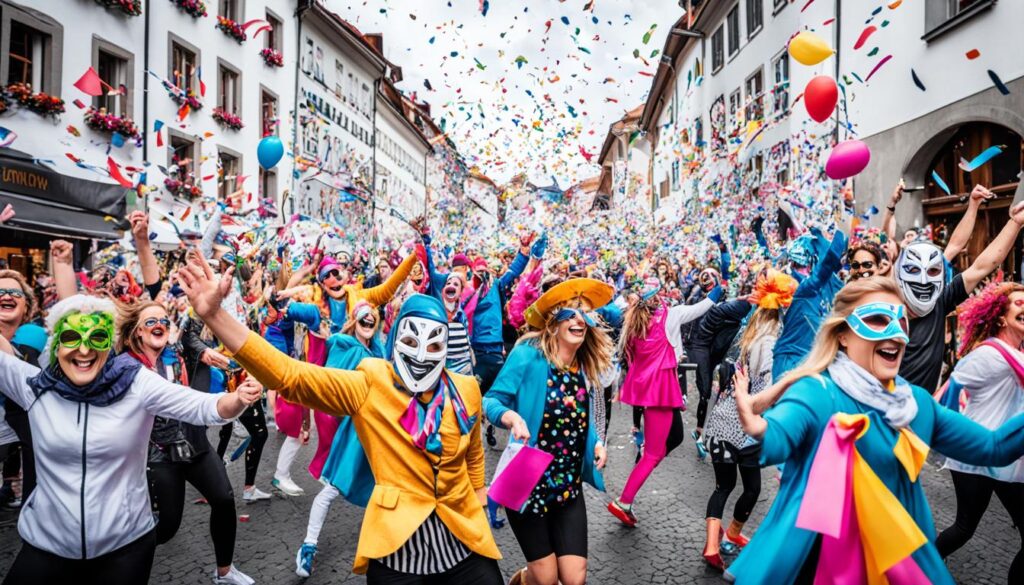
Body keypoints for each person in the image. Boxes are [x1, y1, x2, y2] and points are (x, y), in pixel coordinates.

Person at [177, 256, 503, 584]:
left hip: (463, 542)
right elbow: (291, 376)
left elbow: (473, 454)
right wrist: (215, 316)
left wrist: (479, 496)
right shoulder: (372, 382)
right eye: (411, 341)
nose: (421, 354)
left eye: (434, 343)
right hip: (398, 546)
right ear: (394, 341)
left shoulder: (465, 390)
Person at [725, 277, 1024, 584]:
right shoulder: (819, 392)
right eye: (878, 320)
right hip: (820, 565)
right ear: (842, 335)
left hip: (893, 565)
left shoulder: (917, 404)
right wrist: (758, 425)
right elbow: (782, 432)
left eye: (901, 322)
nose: (895, 333)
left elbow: (994, 448)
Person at [0, 294, 259, 585]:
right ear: (57, 344)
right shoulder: (35, 387)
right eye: (72, 337)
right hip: (46, 546)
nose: (84, 349)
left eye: (97, 337)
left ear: (108, 343)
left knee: (213, 503)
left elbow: (201, 406)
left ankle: (224, 571)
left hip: (126, 545)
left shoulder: (134, 380)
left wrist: (237, 399)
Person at [484, 278, 615, 585]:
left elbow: (582, 418)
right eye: (569, 312)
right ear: (553, 321)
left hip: (568, 486)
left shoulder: (583, 366)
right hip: (528, 483)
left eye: (583, 313)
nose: (578, 319)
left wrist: (596, 443)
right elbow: (491, 400)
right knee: (545, 579)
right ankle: (526, 580)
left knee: (574, 578)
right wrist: (510, 417)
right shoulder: (527, 354)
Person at [117, 301, 254, 584]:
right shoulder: (125, 366)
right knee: (166, 527)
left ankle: (224, 572)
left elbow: (190, 333)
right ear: (137, 332)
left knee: (224, 498)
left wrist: (204, 350)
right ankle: (115, 562)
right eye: (151, 322)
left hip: (194, 444)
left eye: (164, 321)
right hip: (159, 454)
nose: (160, 325)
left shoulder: (178, 352)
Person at [700, 269, 795, 570]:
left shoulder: (747, 331)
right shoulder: (769, 341)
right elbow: (764, 391)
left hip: (720, 420)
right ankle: (732, 534)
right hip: (744, 422)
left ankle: (713, 546)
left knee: (723, 486)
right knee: (752, 488)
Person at [607, 277, 719, 526]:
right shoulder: (671, 315)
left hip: (651, 389)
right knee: (654, 453)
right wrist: (717, 285)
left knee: (676, 436)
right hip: (661, 391)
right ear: (657, 298)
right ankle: (624, 501)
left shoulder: (635, 322)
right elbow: (705, 305)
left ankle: (643, 465)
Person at [934, 281, 1024, 582]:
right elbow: (946, 395)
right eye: (1019, 303)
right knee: (964, 527)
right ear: (1000, 315)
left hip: (1006, 457)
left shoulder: (1016, 353)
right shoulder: (990, 355)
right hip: (975, 456)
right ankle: (925, 566)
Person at [295, 301, 384, 578]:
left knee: (386, 490)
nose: (368, 322)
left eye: (373, 319)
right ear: (354, 320)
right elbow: (332, 380)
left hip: (379, 431)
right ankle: (308, 546)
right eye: (363, 318)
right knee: (332, 489)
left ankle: (387, 548)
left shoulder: (378, 352)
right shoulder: (343, 344)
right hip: (354, 432)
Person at [897, 201, 1024, 391]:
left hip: (925, 407)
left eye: (932, 271)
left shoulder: (939, 301)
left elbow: (983, 266)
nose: (923, 280)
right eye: (914, 269)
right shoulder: (884, 311)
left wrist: (1015, 222)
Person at [0, 267, 44, 503]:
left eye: (13, 293)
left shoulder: (35, 336)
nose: (6, 296)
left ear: (27, 305)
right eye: (0, 291)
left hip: (26, 430)